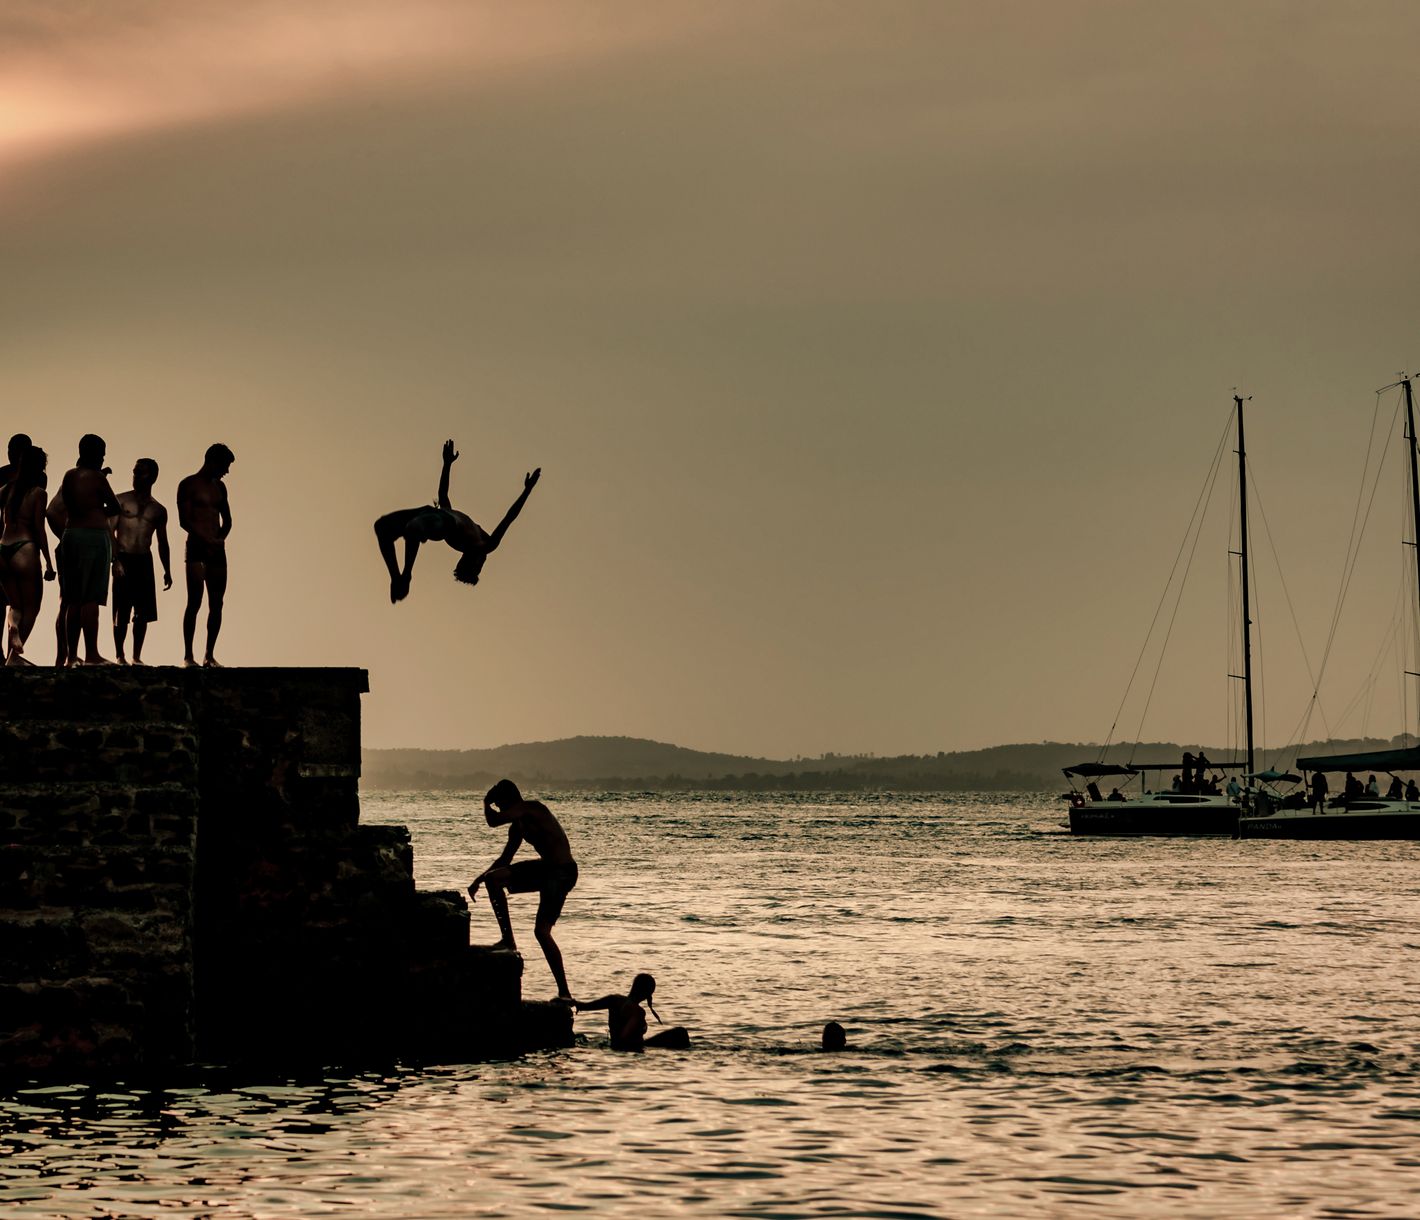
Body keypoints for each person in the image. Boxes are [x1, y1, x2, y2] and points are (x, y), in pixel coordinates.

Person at [375, 440, 540, 603]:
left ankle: (406, 574)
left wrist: (527, 491)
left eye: (479, 566)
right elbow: (443, 496)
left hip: (442, 523)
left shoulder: (483, 547)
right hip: (430, 513)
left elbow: (509, 517)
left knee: (413, 528)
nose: (484, 562)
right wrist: (447, 464)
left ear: (473, 561)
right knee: (381, 526)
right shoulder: (480, 538)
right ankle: (398, 578)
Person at [467, 779, 577, 1001]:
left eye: (501, 805)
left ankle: (564, 992)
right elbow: (505, 859)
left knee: (541, 932)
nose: (500, 810)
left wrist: (485, 803)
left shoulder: (531, 808)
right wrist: (479, 879)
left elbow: (492, 821)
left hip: (562, 872)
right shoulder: (517, 828)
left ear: (510, 800)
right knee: (494, 880)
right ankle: (508, 939)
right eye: (497, 806)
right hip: (546, 869)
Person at [58, 434, 121, 666]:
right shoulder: (97, 478)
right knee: (91, 598)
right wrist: (97, 510)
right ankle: (92, 654)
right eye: (102, 452)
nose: (104, 457)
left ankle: (71, 657)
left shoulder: (69, 476)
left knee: (72, 598)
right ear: (94, 454)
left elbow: (67, 505)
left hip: (70, 535)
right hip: (93, 537)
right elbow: (115, 507)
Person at [177, 444, 234, 668]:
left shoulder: (220, 488)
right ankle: (188, 655)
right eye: (225, 465)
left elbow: (227, 520)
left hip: (216, 550)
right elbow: (184, 520)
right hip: (197, 548)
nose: (226, 471)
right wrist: (206, 539)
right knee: (194, 601)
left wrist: (220, 538)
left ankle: (209, 655)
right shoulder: (188, 484)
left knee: (217, 602)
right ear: (213, 460)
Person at [111, 459, 172, 665]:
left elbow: (162, 542)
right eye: (135, 472)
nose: (136, 477)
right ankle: (120, 655)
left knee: (142, 613)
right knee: (121, 611)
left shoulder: (159, 510)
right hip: (124, 557)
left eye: (141, 473)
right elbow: (109, 532)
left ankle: (136, 656)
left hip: (144, 560)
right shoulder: (120, 501)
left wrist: (167, 570)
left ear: (153, 477)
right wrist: (115, 560)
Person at [0, 446, 55, 664]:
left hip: (3, 548)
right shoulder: (38, 493)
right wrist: (49, 562)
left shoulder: (4, 490)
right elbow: (39, 528)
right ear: (40, 467)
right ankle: (13, 657)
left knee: (14, 606)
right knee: (32, 607)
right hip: (25, 547)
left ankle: (13, 626)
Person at [575, 973, 691, 1052]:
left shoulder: (613, 1000)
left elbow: (583, 1006)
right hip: (631, 1048)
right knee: (680, 1033)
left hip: (617, 1045)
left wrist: (572, 1002)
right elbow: (624, 1037)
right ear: (648, 993)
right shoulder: (638, 1012)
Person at [0, 434, 34, 635]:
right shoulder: (35, 477)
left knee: (15, 599)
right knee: (13, 599)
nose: (11, 454)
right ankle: (8, 649)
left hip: (17, 540)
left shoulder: (34, 477)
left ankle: (10, 648)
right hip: (20, 541)